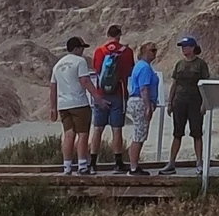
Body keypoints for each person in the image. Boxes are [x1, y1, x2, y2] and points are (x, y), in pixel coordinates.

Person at [165, 35, 212, 173]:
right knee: (177, 133)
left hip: (195, 102)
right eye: (182, 47)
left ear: (193, 48)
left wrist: (204, 103)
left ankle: (199, 162)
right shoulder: (179, 64)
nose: (184, 49)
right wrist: (170, 102)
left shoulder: (200, 64)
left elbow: (205, 85)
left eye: (186, 47)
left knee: (196, 133)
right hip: (180, 101)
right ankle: (171, 162)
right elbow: (174, 83)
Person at [51, 35, 96, 176]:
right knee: (83, 134)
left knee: (68, 134)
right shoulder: (80, 61)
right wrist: (98, 97)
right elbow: (85, 81)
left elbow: (53, 86)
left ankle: (67, 166)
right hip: (79, 103)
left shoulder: (58, 65)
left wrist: (53, 107)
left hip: (63, 104)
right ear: (76, 48)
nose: (83, 51)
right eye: (82, 48)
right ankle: (82, 165)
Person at [90, 23, 133, 169]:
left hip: (101, 94)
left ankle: (92, 162)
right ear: (119, 35)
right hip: (119, 93)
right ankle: (118, 162)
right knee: (117, 129)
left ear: (107, 35)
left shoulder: (99, 51)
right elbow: (129, 71)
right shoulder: (126, 51)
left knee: (97, 128)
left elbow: (96, 70)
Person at [124, 42, 162, 174]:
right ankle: (133, 167)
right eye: (152, 50)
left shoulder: (141, 66)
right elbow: (144, 88)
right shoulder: (144, 68)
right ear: (145, 51)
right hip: (140, 101)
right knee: (139, 135)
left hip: (136, 101)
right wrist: (147, 106)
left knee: (139, 133)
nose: (154, 53)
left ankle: (134, 164)